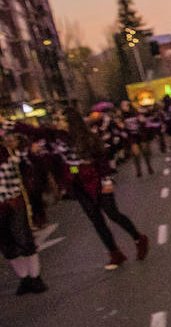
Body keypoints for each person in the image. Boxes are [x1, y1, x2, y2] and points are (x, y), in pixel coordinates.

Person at [61, 113, 149, 270]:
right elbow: (71, 163)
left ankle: (138, 238)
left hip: (97, 180)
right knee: (96, 220)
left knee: (112, 213)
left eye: (61, 120)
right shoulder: (64, 141)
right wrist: (75, 173)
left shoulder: (89, 137)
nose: (58, 123)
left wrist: (106, 180)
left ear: (70, 122)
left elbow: (102, 160)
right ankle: (114, 252)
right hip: (81, 186)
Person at [0, 129, 44, 294]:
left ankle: (35, 276)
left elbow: (31, 168)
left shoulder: (11, 154)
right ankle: (24, 278)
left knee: (23, 238)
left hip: (14, 202)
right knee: (6, 244)